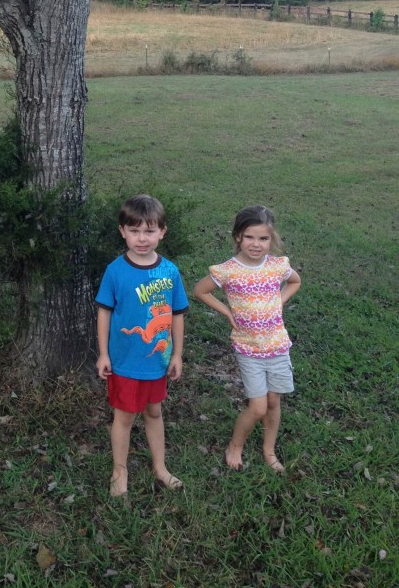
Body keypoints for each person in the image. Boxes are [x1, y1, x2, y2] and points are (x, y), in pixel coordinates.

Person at [193, 205, 301, 474]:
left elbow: (295, 282)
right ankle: (235, 446)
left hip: (277, 346)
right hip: (249, 348)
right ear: (238, 237)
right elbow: (200, 291)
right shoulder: (228, 270)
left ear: (271, 239)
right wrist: (227, 311)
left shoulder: (277, 266)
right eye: (250, 237)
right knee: (258, 406)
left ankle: (268, 450)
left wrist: (280, 301)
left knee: (274, 402)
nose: (256, 244)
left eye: (263, 238)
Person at [96, 194, 189, 498]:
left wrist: (176, 354)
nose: (142, 238)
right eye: (134, 230)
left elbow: (177, 315)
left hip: (157, 362)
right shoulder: (115, 271)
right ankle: (119, 470)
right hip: (124, 360)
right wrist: (104, 354)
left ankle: (160, 467)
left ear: (162, 232)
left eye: (149, 231)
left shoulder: (170, 272)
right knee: (124, 417)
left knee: (154, 412)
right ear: (122, 230)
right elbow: (104, 312)